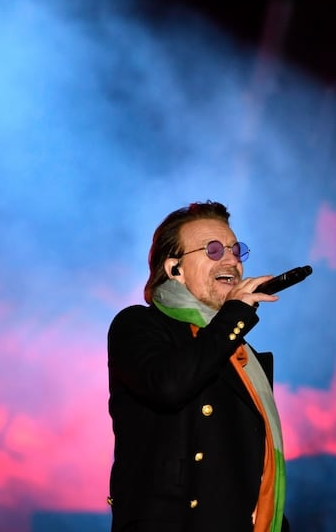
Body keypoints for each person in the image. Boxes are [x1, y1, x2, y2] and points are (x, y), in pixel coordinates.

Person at [107, 200, 289, 532]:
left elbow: (254, 471)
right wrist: (234, 317)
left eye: (236, 250)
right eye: (214, 250)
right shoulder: (138, 326)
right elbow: (168, 386)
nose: (232, 259)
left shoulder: (238, 352)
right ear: (174, 269)